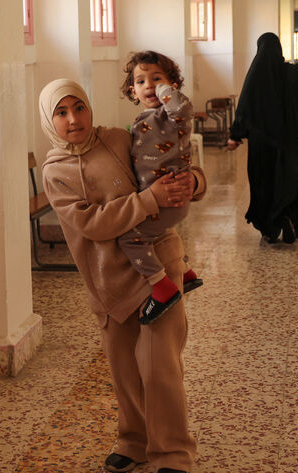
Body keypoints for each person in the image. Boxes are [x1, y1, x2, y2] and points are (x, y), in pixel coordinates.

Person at [39, 79, 203, 473]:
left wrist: (194, 182)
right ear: (49, 119)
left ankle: (172, 453)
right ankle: (134, 441)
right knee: (125, 371)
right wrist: (150, 200)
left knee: (159, 369)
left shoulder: (117, 138)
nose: (73, 118)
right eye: (61, 112)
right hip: (108, 281)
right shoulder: (55, 172)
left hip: (159, 271)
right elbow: (92, 223)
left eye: (79, 107)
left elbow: (167, 158)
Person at [117, 50, 203, 325]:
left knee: (131, 238)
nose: (150, 86)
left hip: (170, 196)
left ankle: (161, 287)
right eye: (141, 82)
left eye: (157, 79)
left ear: (172, 85)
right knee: (156, 236)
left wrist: (167, 91)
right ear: (133, 91)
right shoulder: (144, 119)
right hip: (158, 199)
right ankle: (186, 273)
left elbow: (183, 108)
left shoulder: (171, 116)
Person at [226, 32, 298, 244]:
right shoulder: (297, 73)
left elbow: (244, 108)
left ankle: (270, 228)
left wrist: (235, 135)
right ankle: (288, 216)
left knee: (263, 182)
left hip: (262, 144)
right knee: (290, 177)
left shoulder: (255, 76)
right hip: (289, 140)